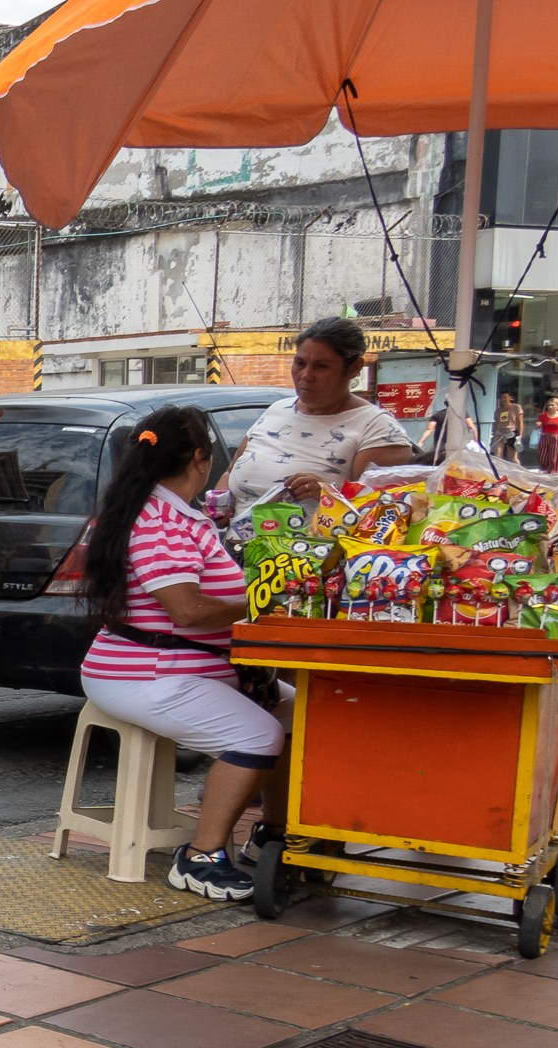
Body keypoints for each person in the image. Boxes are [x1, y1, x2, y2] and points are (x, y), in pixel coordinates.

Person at [81, 404, 293, 903]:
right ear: (199, 457)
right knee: (258, 734)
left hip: (183, 667)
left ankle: (274, 833)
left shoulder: (171, 512)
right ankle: (201, 857)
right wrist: (266, 595)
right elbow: (189, 611)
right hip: (145, 673)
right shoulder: (157, 521)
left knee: (298, 713)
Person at [225, 317, 415, 512]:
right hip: (236, 541)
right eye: (300, 363)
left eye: (321, 366)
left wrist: (329, 493)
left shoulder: (377, 430)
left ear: (354, 368)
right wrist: (221, 504)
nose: (306, 375)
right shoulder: (276, 411)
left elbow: (386, 511)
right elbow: (231, 472)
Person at [537, 395, 558, 473]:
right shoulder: (543, 415)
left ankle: (552, 472)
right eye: (549, 405)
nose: (550, 407)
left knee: (553, 457)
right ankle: (544, 471)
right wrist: (538, 424)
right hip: (544, 438)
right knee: (542, 457)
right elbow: (539, 424)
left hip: (555, 438)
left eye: (552, 405)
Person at [493, 390, 524, 461]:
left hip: (511, 433)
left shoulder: (516, 407)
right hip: (499, 433)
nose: (503, 399)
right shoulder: (498, 410)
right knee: (497, 456)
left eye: (505, 397)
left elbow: (520, 422)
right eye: (501, 397)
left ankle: (517, 471)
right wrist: (494, 434)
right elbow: (496, 423)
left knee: (512, 458)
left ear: (511, 398)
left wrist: (520, 435)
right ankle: (498, 471)